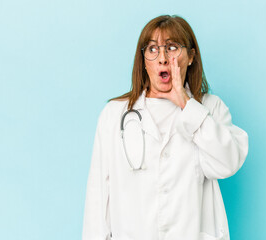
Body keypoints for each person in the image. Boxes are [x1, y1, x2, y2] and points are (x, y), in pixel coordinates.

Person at [82, 15, 248, 240]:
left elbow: (227, 163)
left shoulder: (210, 108)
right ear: (144, 60)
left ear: (190, 56)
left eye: (172, 47)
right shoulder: (114, 115)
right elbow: (97, 198)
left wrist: (186, 104)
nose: (162, 58)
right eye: (152, 49)